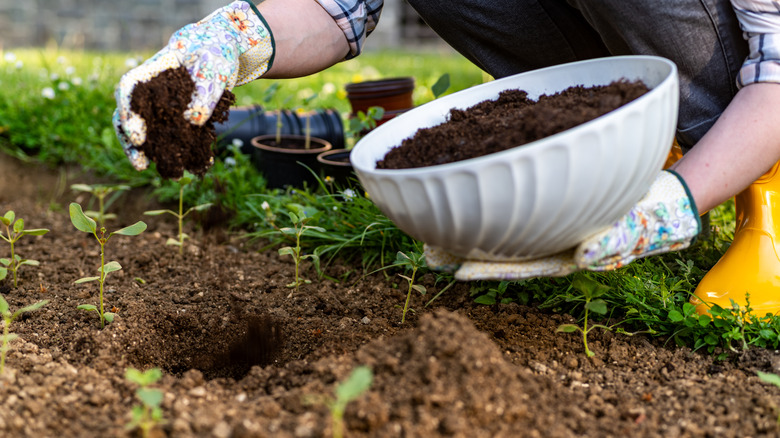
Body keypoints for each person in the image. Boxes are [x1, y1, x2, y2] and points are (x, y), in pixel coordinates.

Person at [113, 0, 780, 315]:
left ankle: (759, 184)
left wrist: (677, 200)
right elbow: (342, 6)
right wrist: (228, 42)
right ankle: (627, 129)